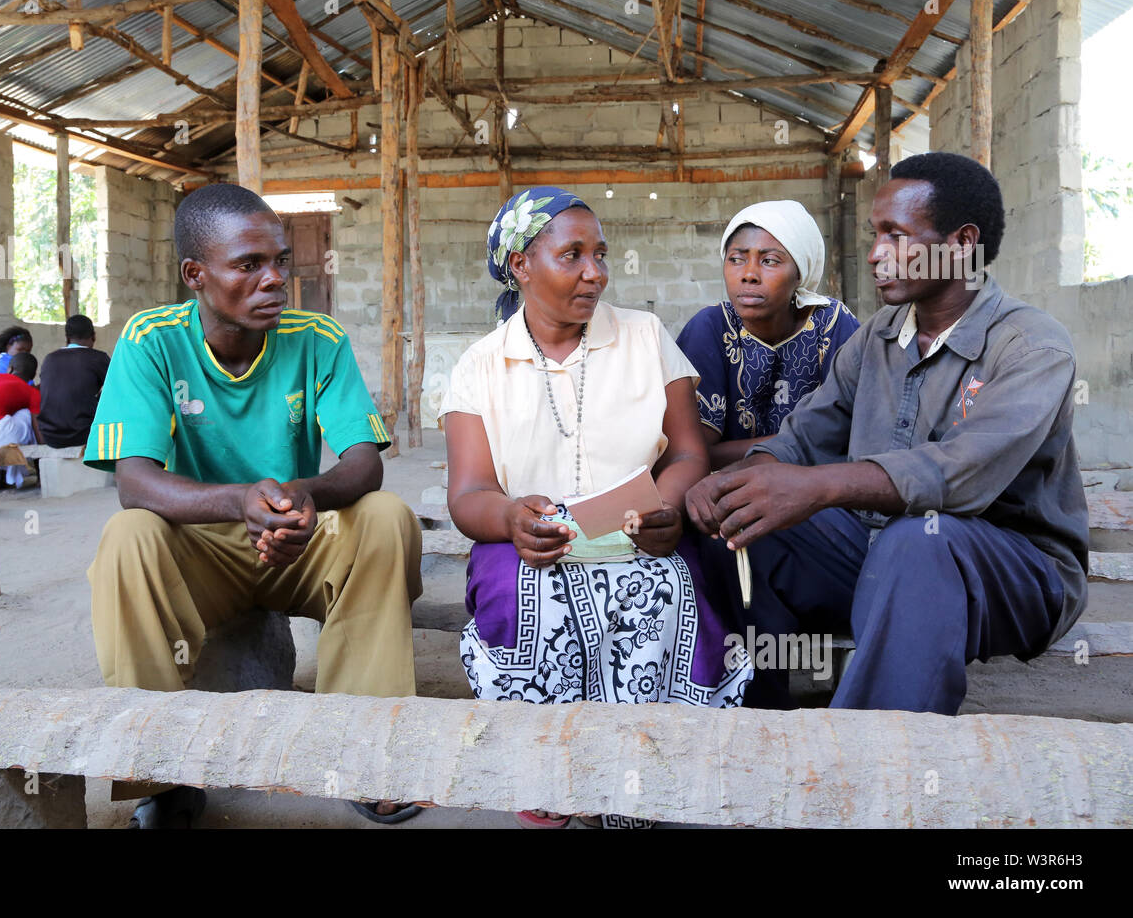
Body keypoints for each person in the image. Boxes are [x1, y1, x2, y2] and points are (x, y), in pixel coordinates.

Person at [688, 152, 1088, 716]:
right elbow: (801, 439)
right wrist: (733, 478)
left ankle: (871, 767)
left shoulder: (1030, 346)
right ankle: (760, 722)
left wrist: (819, 487)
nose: (876, 253)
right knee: (738, 513)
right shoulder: (876, 336)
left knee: (920, 538)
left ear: (961, 242)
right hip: (877, 555)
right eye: (877, 234)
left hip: (1010, 577)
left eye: (896, 236)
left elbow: (960, 474)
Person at [83, 183, 422, 829]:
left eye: (280, 263)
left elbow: (362, 462)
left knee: (385, 516)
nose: (274, 281)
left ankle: (365, 748)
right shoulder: (151, 340)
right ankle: (161, 773)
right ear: (196, 275)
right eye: (249, 265)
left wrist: (305, 495)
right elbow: (135, 481)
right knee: (128, 536)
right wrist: (239, 500)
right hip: (202, 548)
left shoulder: (317, 338)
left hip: (298, 540)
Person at [440, 187, 752, 830]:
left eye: (601, 255)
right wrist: (510, 521)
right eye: (573, 255)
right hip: (531, 537)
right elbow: (469, 495)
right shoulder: (479, 365)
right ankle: (548, 770)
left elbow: (690, 455)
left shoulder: (645, 337)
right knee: (521, 596)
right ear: (521, 264)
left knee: (668, 588)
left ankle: (644, 770)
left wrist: (667, 508)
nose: (595, 272)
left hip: (643, 529)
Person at [676, 200, 860, 469]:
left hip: (816, 490)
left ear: (800, 271)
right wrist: (801, 443)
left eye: (770, 261)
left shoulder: (832, 325)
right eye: (736, 259)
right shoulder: (712, 327)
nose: (749, 274)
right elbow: (695, 452)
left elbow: (858, 436)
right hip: (728, 489)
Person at [37, 314, 110, 448]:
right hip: (83, 435)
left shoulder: (50, 359)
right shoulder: (98, 358)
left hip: (50, 436)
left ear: (67, 337)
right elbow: (116, 389)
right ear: (93, 336)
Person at [0, 352, 42, 487]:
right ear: (33, 376)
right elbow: (38, 430)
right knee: (26, 413)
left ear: (10, 369)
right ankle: (39, 477)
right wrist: (46, 453)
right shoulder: (32, 392)